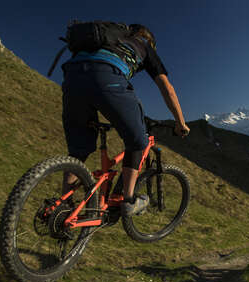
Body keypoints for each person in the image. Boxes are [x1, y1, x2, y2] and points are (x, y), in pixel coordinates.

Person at [60, 23, 190, 216]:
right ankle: (128, 200)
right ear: (148, 39)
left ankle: (63, 206)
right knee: (138, 141)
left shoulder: (108, 38)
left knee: (79, 150)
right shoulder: (144, 46)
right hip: (107, 77)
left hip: (71, 78)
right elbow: (167, 88)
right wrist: (180, 122)